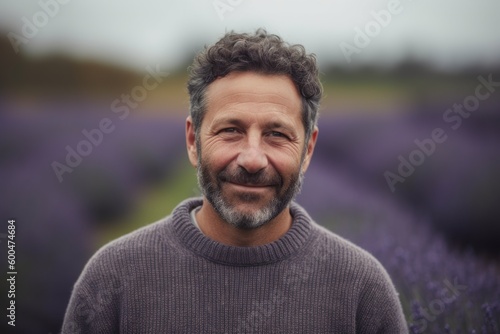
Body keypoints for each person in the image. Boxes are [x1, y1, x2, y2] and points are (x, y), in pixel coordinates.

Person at [62, 29, 408, 333]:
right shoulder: (112, 279)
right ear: (193, 141)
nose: (253, 159)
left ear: (307, 149)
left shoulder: (362, 289)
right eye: (231, 131)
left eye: (276, 134)